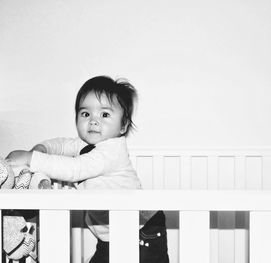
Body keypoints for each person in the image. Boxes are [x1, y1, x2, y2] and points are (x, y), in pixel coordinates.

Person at [6, 75, 169, 263]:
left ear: (123, 126)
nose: (93, 121)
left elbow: (75, 169)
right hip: (110, 236)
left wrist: (31, 158)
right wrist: (43, 148)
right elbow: (62, 145)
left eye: (105, 114)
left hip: (141, 230)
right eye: (85, 114)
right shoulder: (84, 144)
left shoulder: (112, 150)